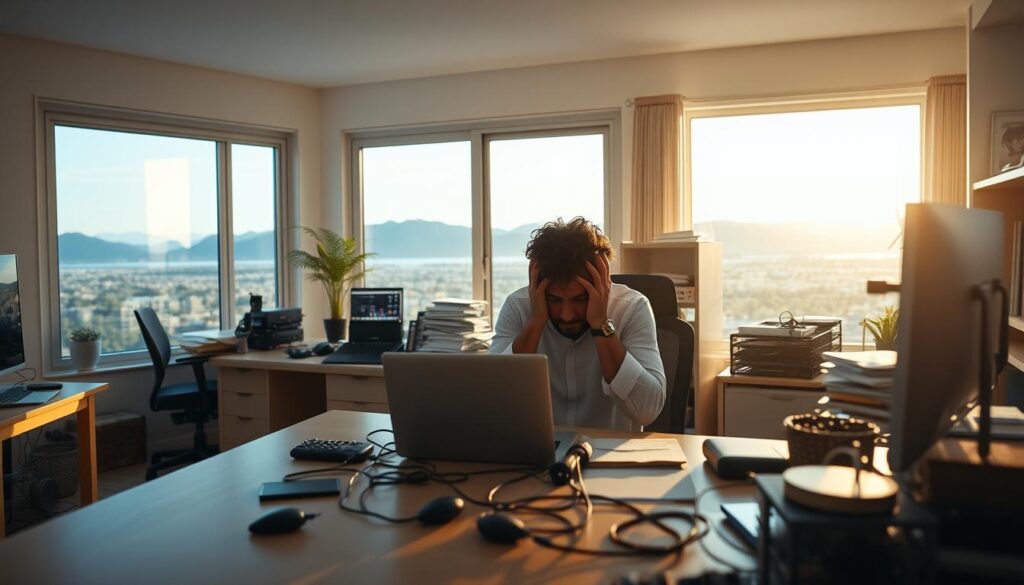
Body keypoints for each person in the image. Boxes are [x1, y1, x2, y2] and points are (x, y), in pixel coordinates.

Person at [490, 217, 665, 431]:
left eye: (580, 299)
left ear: (602, 285)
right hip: (540, 457)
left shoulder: (632, 308)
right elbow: (494, 401)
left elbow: (647, 411)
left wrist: (601, 325)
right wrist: (535, 323)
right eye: (554, 299)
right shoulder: (518, 307)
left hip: (610, 458)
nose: (567, 314)